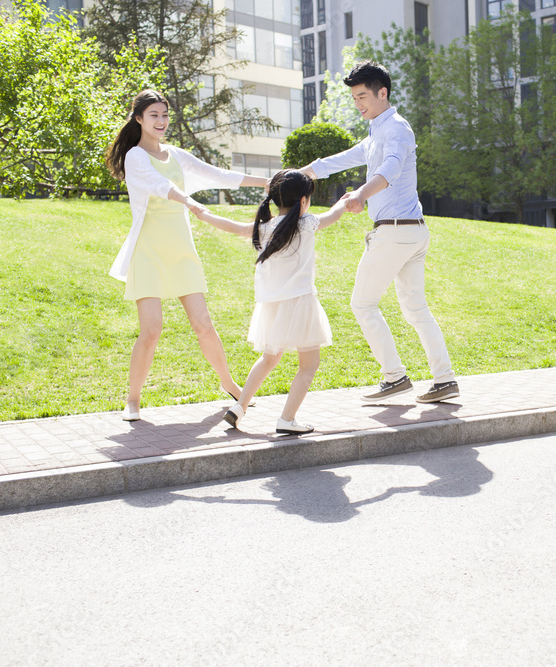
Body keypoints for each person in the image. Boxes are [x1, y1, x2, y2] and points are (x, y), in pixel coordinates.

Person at [299, 60, 458, 404]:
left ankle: (395, 376)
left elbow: (391, 169)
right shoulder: (376, 132)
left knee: (362, 303)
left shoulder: (396, 129)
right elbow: (340, 159)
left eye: (362, 97)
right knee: (416, 310)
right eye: (355, 98)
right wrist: (300, 173)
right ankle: (444, 379)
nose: (358, 104)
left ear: (382, 93)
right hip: (411, 231)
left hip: (395, 233)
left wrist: (360, 195)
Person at [106, 89, 269, 421]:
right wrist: (190, 202)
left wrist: (265, 181)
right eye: (154, 115)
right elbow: (156, 184)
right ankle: (133, 400)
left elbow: (217, 174)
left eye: (165, 115)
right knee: (151, 329)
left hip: (181, 249)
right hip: (148, 250)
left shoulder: (176, 155)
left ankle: (232, 386)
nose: (161, 121)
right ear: (138, 119)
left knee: (203, 324)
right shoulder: (136, 156)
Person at [194, 170, 347, 434]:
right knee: (308, 366)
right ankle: (287, 419)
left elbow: (232, 226)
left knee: (268, 358)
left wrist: (203, 214)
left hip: (271, 307)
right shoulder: (307, 223)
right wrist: (347, 200)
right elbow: (334, 214)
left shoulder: (263, 228)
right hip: (300, 303)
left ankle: (239, 407)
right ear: (303, 201)